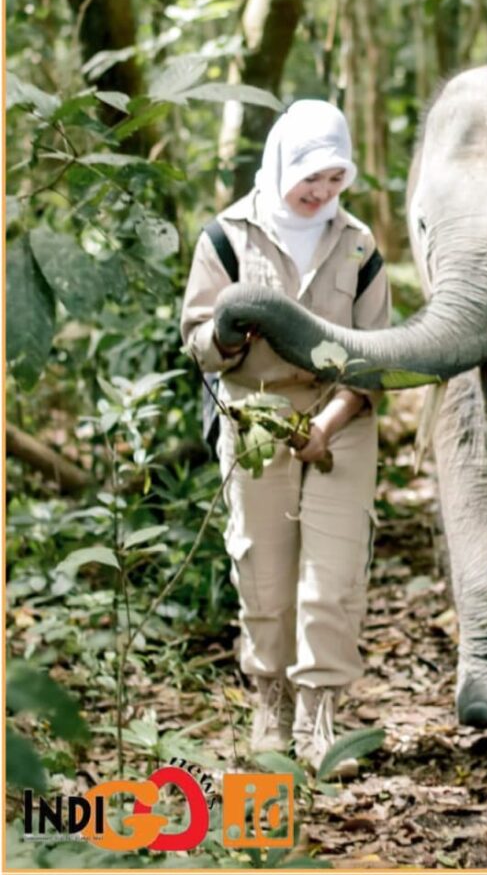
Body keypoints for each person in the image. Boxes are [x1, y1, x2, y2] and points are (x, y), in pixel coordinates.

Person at [180, 100, 390, 778]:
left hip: (340, 417)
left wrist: (326, 427)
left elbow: (376, 358)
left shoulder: (358, 246)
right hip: (255, 416)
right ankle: (269, 703)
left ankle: (319, 717)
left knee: (332, 575)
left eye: (334, 179)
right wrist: (228, 334)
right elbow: (197, 340)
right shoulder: (226, 236)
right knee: (264, 570)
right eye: (310, 177)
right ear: (281, 163)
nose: (321, 193)